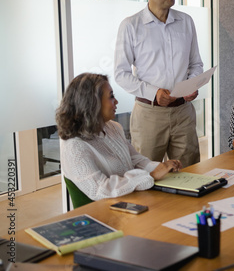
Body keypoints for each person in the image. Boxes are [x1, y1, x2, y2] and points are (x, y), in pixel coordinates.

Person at [114, 0, 203, 168]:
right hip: (149, 114)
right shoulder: (131, 26)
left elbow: (196, 63)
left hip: (183, 112)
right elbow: (121, 73)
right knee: (146, 173)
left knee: (189, 170)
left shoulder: (186, 21)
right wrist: (154, 92)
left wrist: (191, 84)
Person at [56, 73, 182, 201]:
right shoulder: (74, 147)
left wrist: (162, 168)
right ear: (92, 103)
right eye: (111, 97)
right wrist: (151, 175)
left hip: (130, 201)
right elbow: (99, 190)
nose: (116, 101)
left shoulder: (113, 127)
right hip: (105, 213)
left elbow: (135, 160)